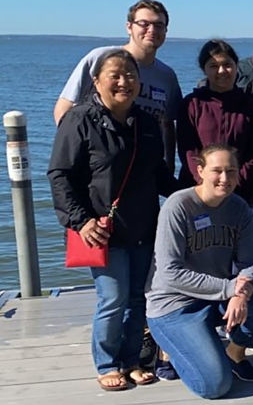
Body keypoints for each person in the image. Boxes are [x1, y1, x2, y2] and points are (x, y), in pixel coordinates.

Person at [48, 49, 175, 391]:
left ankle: (131, 360)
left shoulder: (146, 123)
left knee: (138, 297)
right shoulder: (79, 119)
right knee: (113, 298)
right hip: (100, 230)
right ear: (96, 81)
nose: (124, 82)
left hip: (143, 225)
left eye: (130, 75)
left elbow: (159, 175)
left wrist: (199, 193)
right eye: (115, 75)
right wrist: (81, 221)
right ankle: (107, 363)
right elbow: (60, 175)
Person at [145, 145, 253, 399]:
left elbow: (252, 261)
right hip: (174, 306)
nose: (224, 178)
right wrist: (230, 289)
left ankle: (233, 353)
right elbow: (170, 272)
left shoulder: (238, 207)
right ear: (200, 171)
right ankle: (169, 347)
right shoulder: (178, 206)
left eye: (231, 171)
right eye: (217, 171)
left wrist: (242, 293)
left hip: (216, 299)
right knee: (215, 386)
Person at [54, 0, 181, 172]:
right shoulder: (100, 58)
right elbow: (65, 107)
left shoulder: (167, 76)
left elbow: (167, 125)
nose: (152, 30)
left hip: (143, 169)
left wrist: (168, 167)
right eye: (144, 24)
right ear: (129, 27)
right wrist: (74, 154)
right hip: (99, 168)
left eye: (159, 25)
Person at [177, 40, 253, 198]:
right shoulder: (191, 104)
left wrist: (235, 182)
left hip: (240, 192)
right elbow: (188, 149)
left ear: (236, 66)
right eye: (214, 66)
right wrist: (205, 182)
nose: (222, 71)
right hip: (198, 190)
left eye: (227, 65)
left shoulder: (250, 106)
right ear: (204, 69)